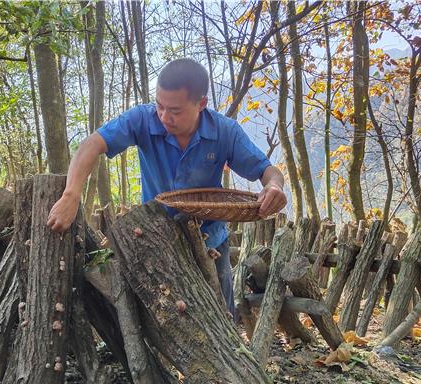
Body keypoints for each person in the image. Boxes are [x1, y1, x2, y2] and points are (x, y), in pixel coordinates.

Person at [47, 58, 287, 318]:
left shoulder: (224, 131)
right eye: (160, 106)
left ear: (201, 104)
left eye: (174, 110)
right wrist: (72, 193)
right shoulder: (142, 119)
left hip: (211, 241)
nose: (164, 116)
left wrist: (274, 186)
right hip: (158, 239)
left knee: (220, 316)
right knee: (165, 317)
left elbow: (267, 170)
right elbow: (92, 144)